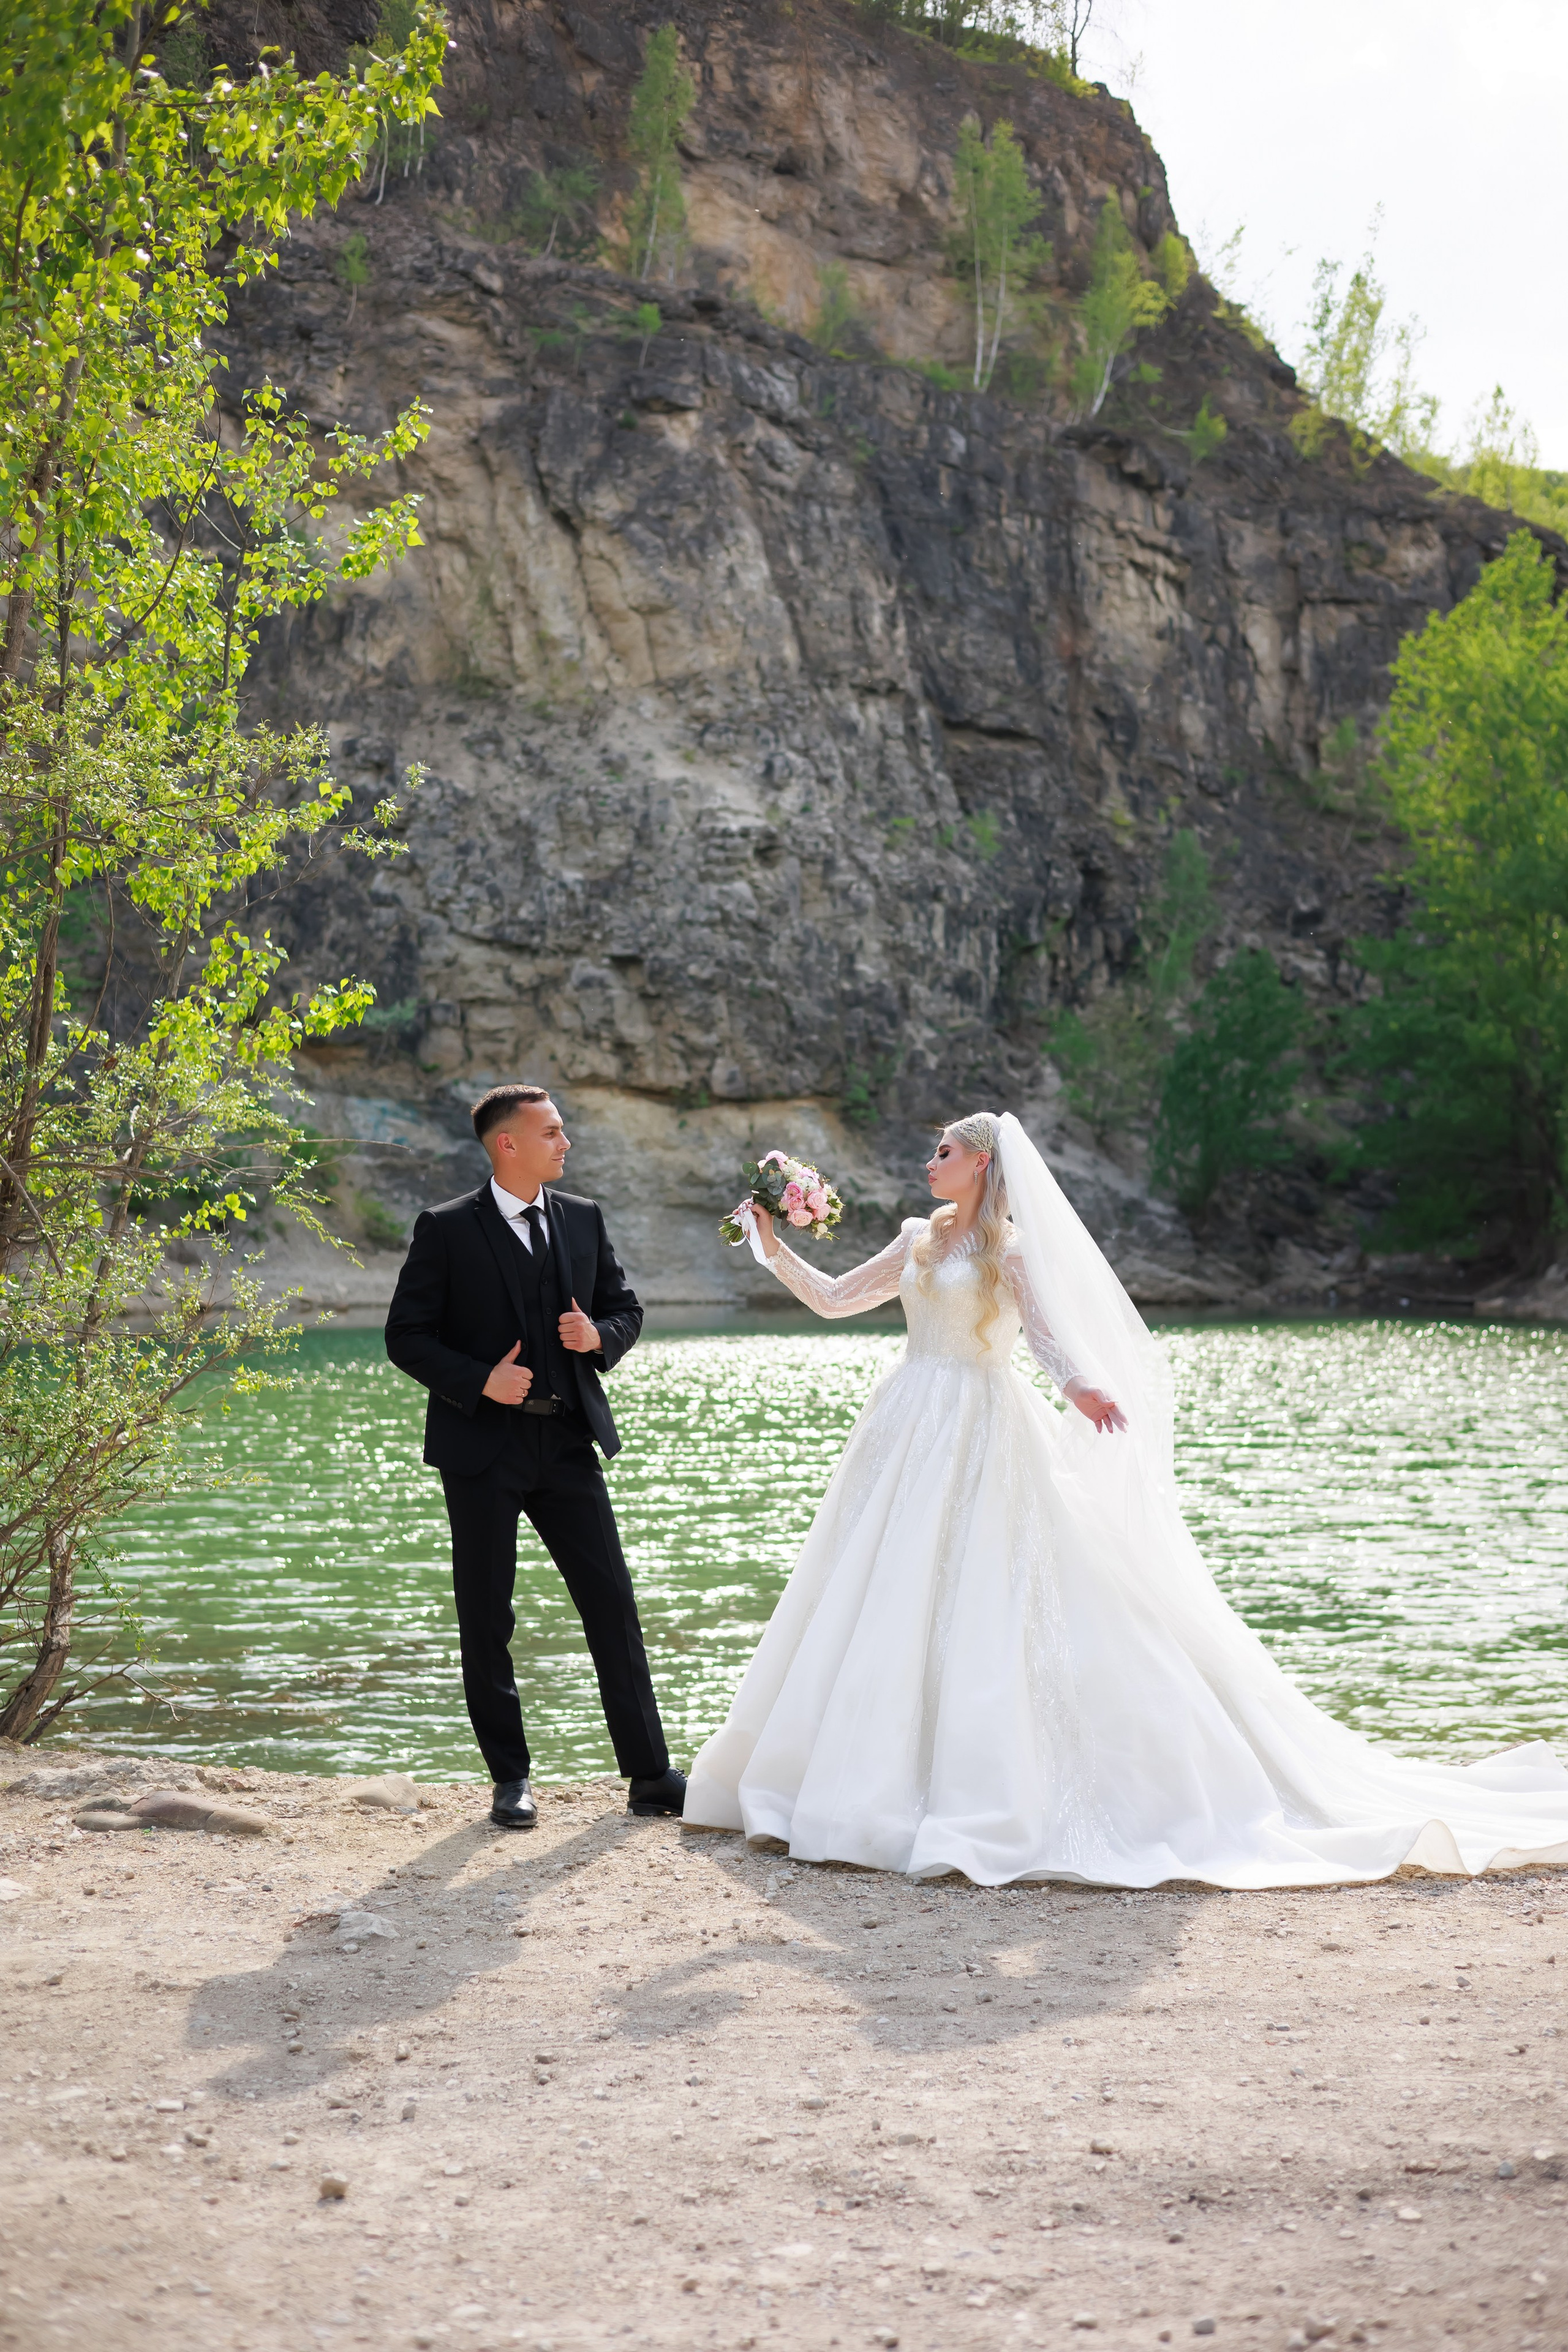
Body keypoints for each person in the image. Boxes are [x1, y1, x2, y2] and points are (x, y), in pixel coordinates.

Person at [684, 1111, 1568, 1887]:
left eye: (944, 1151)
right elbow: (838, 1301)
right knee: (881, 1594)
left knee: (986, 1593)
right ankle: (859, 1777)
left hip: (979, 1424)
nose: (930, 1163)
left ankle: (974, 1780)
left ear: (983, 1164)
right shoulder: (918, 1235)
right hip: (905, 1420)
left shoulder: (1009, 1247)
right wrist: (771, 1243)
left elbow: (1045, 1337)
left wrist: (1086, 1391)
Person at [385, 1084, 685, 1829]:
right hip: (483, 1449)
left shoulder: (582, 1218)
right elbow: (406, 1336)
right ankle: (510, 1779)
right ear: (506, 1144)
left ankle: (649, 1774)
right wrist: (481, 1380)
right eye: (551, 1133)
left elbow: (626, 1307)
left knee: (611, 1604)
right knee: (487, 1615)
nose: (566, 1143)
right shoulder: (447, 1228)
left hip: (568, 1441)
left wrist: (601, 1339)